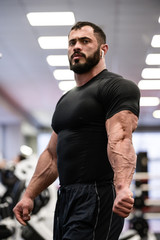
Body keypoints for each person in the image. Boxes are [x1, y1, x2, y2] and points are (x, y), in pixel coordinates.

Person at [13, 21, 140, 240]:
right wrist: (29, 195)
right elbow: (52, 155)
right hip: (66, 196)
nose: (76, 46)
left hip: (97, 194)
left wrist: (122, 188)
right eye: (72, 42)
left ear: (103, 49)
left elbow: (120, 139)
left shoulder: (116, 87)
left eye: (85, 41)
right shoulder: (66, 99)